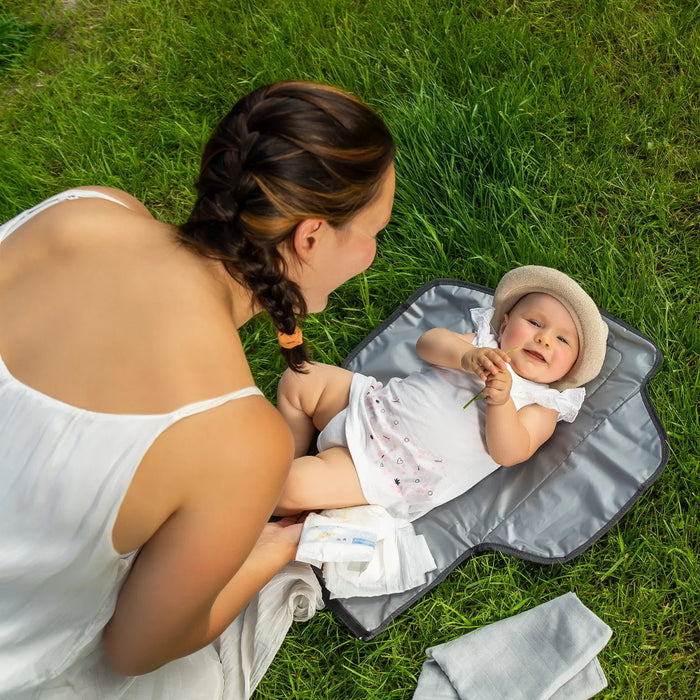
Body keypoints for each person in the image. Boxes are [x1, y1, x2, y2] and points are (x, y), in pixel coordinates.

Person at [0, 81, 395, 696]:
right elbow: (135, 649)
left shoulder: (79, 210)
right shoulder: (238, 441)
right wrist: (275, 546)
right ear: (310, 236)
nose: (373, 253)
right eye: (374, 231)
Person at [275, 265, 609, 521]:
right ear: (504, 325)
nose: (545, 339)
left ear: (572, 367)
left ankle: (284, 484)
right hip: (372, 405)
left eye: (563, 340)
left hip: (395, 468)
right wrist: (466, 357)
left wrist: (501, 402)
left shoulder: (544, 403)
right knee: (300, 378)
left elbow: (510, 452)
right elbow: (428, 344)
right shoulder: (481, 344)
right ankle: (287, 452)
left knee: (287, 487)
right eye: (535, 323)